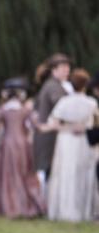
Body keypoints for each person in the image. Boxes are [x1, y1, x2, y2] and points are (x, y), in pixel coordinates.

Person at [40, 69, 98, 222]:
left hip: (66, 140)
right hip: (84, 141)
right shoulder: (91, 103)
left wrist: (68, 128)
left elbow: (52, 123)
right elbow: (94, 125)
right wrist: (82, 128)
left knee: (65, 174)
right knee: (82, 174)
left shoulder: (64, 102)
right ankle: (82, 212)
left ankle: (64, 211)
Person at [0, 78, 45, 218]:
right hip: (23, 145)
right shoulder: (25, 110)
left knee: (8, 176)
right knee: (24, 174)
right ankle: (25, 205)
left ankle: (9, 206)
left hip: (8, 145)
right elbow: (36, 125)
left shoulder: (4, 110)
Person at [33, 53, 72, 178]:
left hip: (47, 138)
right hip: (50, 140)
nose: (67, 70)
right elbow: (63, 109)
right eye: (63, 67)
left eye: (68, 67)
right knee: (50, 176)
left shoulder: (51, 85)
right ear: (54, 70)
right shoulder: (53, 86)